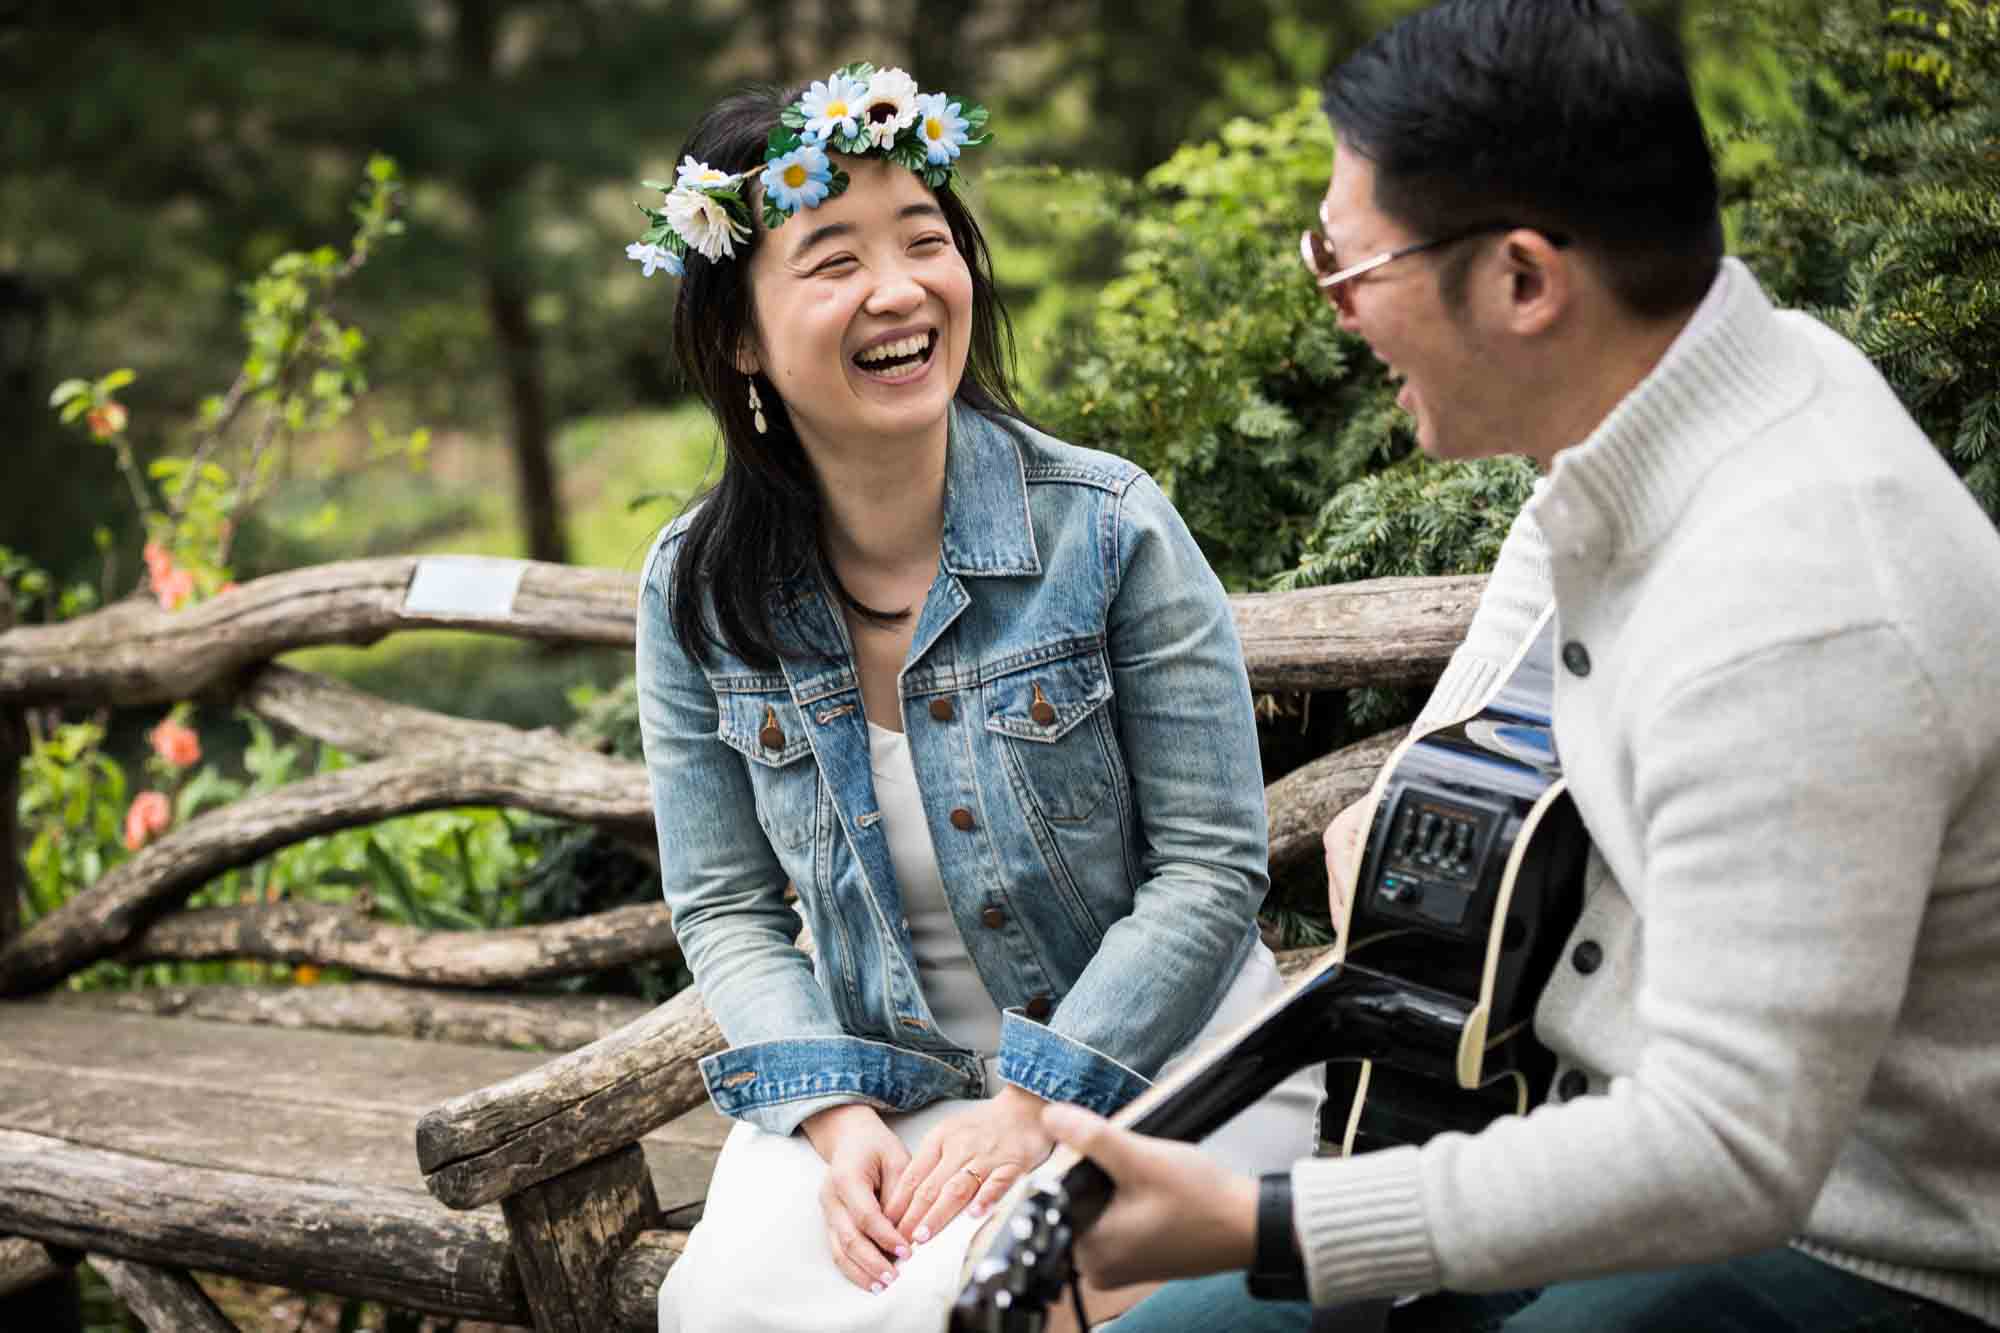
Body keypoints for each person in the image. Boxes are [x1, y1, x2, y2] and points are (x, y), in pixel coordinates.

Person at [1038, 2, 2000, 1330]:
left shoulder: (1806, 612)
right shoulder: (1707, 386)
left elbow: (1733, 1150)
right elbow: (1563, 549)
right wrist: (1436, 773)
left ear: (1525, 282)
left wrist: (1270, 1221)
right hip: (1573, 1123)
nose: (1335, 310)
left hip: (1857, 1240)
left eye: (1346, 268)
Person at [629, 63, 1322, 1333]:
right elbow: (724, 901)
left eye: (924, 241)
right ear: (738, 336)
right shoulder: (696, 587)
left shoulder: (1107, 528)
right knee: (732, 1306)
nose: (897, 290)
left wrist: (1031, 1107)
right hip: (879, 1093)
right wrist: (833, 1119)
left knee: (976, 1304)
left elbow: (1211, 868)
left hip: (1155, 1063)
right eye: (830, 259)